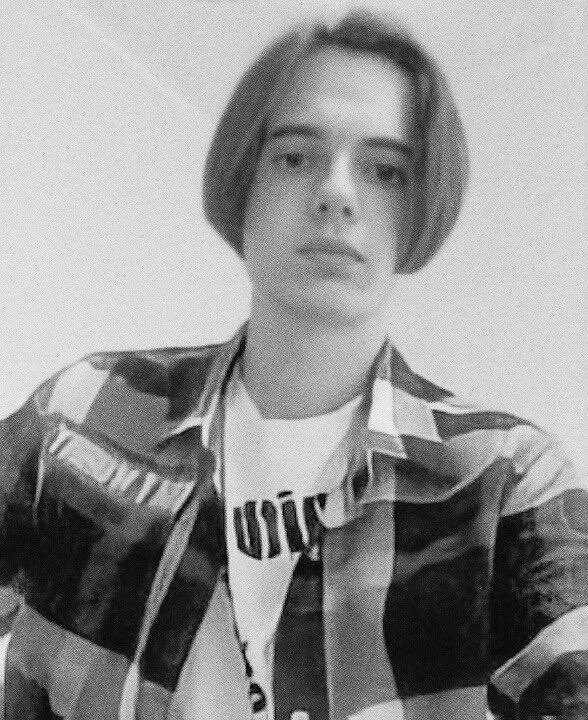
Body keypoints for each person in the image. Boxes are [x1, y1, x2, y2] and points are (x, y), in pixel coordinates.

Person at [0, 7, 586, 720]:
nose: (337, 193)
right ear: (243, 185)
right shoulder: (85, 413)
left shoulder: (507, 479)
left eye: (385, 171)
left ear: (419, 209)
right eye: (295, 156)